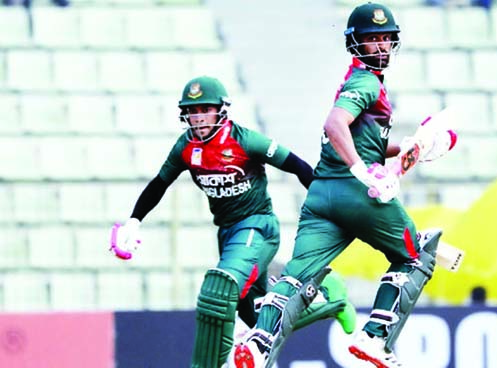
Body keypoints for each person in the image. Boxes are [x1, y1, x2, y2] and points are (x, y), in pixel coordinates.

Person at [234, 3, 456, 368]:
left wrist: (412, 146)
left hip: (322, 195)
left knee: (297, 277)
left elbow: (367, 140)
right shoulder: (366, 82)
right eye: (373, 40)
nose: (382, 47)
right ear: (356, 44)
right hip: (358, 195)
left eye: (386, 39)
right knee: (416, 255)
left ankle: (258, 345)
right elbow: (334, 124)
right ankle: (374, 338)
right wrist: (362, 172)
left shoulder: (359, 80)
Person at [110, 76, 356, 368]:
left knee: (223, 286)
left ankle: (222, 362)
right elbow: (159, 184)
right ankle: (330, 300)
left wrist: (328, 207)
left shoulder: (246, 140)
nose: (198, 117)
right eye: (192, 111)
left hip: (257, 227)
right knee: (257, 316)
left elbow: (298, 166)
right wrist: (134, 222)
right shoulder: (186, 148)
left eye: (205, 109)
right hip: (228, 234)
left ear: (220, 110)